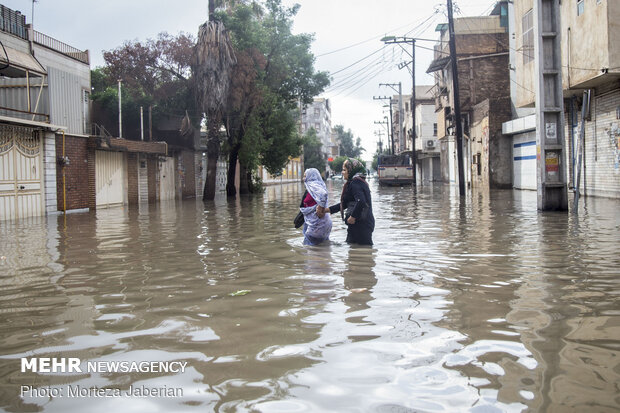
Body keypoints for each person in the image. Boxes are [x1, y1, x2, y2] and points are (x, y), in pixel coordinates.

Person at [322, 159, 375, 245]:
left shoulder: (356, 183)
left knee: (364, 251)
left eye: (344, 170)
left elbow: (361, 201)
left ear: (351, 170)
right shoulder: (354, 182)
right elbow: (345, 204)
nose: (342, 172)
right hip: (357, 224)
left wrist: (353, 217)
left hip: (362, 225)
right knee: (352, 250)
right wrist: (326, 210)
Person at [300, 168, 332, 246]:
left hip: (317, 225)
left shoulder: (313, 186)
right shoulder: (313, 187)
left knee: (310, 251)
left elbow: (323, 194)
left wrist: (321, 208)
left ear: (311, 176)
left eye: (305, 176)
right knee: (323, 250)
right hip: (320, 224)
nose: (303, 179)